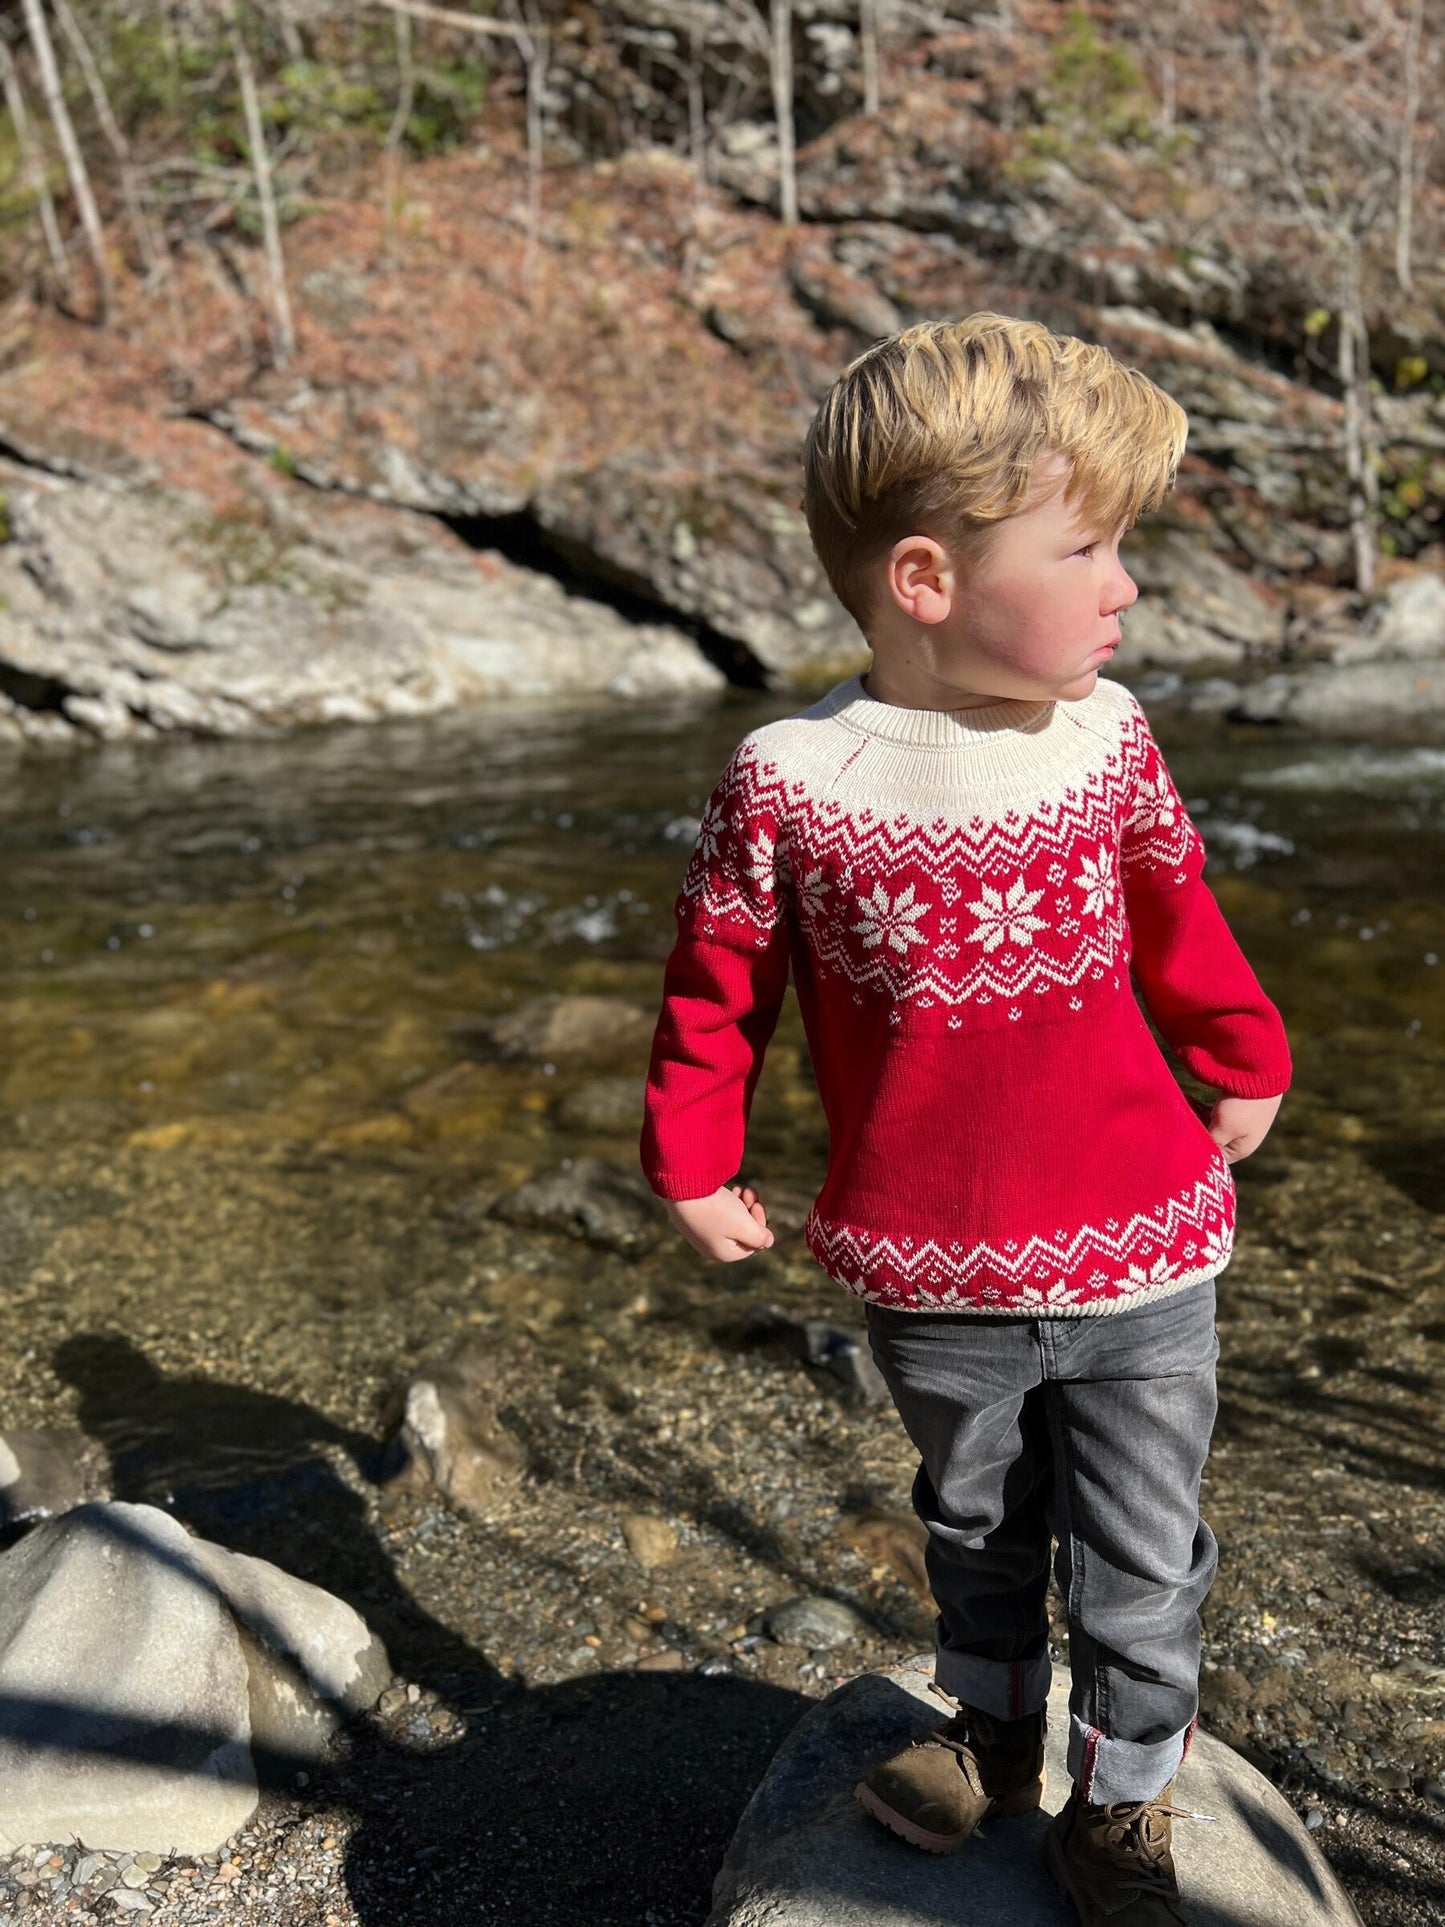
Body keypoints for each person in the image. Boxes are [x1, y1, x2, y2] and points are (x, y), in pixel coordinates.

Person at [638, 312, 1291, 1924]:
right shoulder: (794, 776)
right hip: (932, 1265)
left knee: (1144, 1554)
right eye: (1086, 547)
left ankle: (1122, 1805)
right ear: (925, 581)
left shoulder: (1104, 740)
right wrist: (692, 1153)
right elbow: (719, 982)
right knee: (976, 1524)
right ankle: (993, 1734)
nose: (1122, 584)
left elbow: (1177, 920)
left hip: (1145, 1248)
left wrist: (1245, 1050)